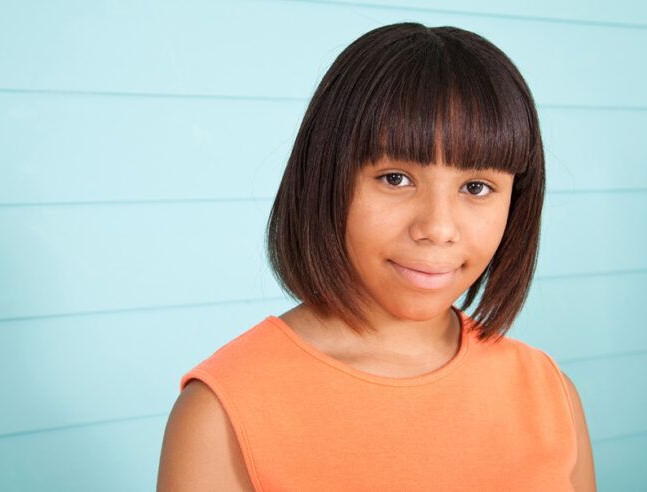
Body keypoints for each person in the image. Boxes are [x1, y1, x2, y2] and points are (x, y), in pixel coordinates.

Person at [157, 22, 596, 491]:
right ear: (327, 178)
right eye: (395, 178)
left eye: (476, 187)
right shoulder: (223, 413)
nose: (438, 228)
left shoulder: (552, 394)